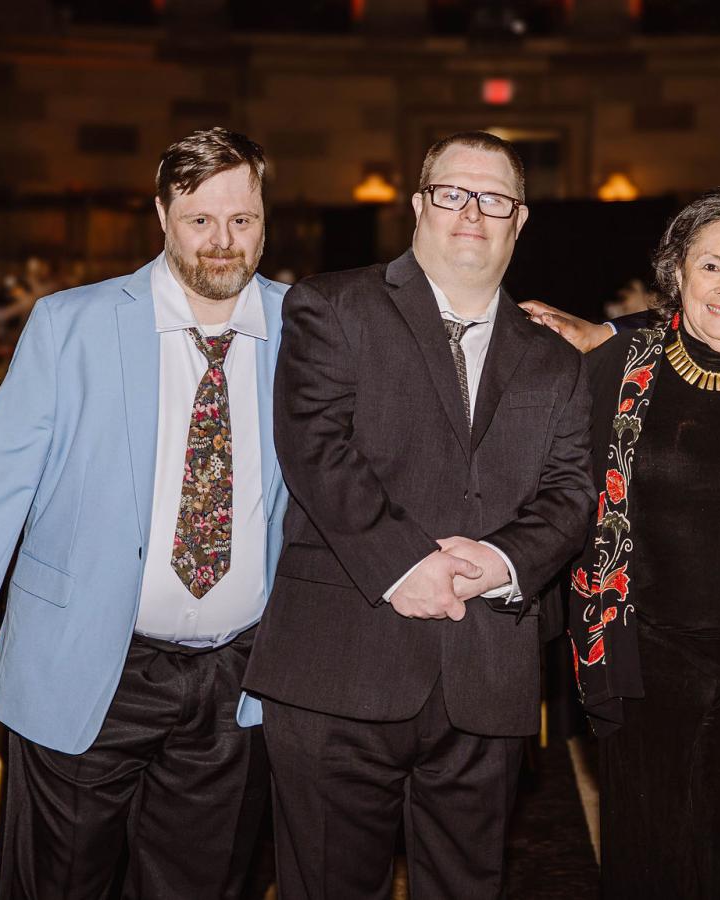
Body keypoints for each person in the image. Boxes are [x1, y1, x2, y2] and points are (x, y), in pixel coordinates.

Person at [0, 127, 288, 898]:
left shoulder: (307, 327)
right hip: (90, 663)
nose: (222, 242)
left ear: (264, 220)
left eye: (241, 221)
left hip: (239, 674)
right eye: (199, 221)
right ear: (161, 216)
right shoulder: (69, 324)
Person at [244, 131, 593, 900]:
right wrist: (408, 562)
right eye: (451, 192)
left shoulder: (557, 360)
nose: (472, 210)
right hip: (339, 667)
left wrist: (499, 564)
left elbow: (571, 493)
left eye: (494, 197)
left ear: (520, 219)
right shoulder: (331, 306)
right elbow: (315, 446)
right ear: (417, 205)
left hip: (488, 678)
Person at [567, 186, 720, 898]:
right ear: (677, 270)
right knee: (647, 860)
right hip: (646, 657)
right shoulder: (614, 368)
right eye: (712, 266)